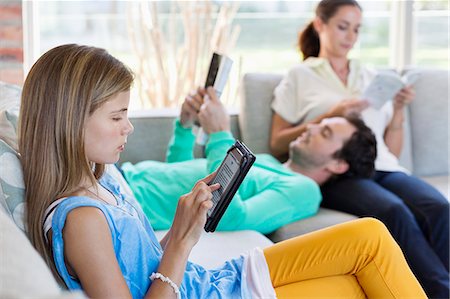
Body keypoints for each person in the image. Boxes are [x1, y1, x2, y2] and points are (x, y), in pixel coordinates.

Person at [19, 44, 426, 298]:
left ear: (338, 163)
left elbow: (151, 255)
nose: (130, 127)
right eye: (117, 116)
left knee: (365, 252)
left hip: (208, 282)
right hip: (205, 287)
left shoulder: (103, 176)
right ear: (69, 121)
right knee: (368, 248)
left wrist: (201, 133)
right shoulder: (84, 216)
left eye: (325, 131)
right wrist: (179, 238)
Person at [269, 0, 449, 298]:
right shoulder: (300, 76)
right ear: (320, 25)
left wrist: (399, 112)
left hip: (382, 166)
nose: (350, 37)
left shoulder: (370, 76)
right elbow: (276, 143)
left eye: (356, 29)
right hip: (337, 171)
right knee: (394, 211)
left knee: (440, 208)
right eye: (343, 27)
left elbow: (390, 149)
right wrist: (331, 113)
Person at [121, 87, 377, 234]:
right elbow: (179, 170)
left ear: (338, 165)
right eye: (319, 123)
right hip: (122, 178)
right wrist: (186, 124)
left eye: (325, 132)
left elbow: (232, 218)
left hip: (130, 204)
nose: (309, 128)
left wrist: (220, 133)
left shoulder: (304, 191)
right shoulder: (268, 162)